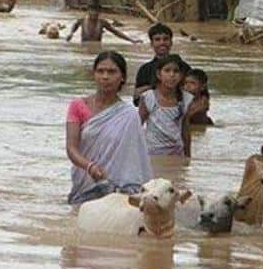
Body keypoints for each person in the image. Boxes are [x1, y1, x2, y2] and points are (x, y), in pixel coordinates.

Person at [66, 51, 153, 205]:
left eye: (112, 72)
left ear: (122, 77)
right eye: (100, 71)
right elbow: (72, 149)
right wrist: (90, 167)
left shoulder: (130, 115)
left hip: (119, 191)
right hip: (85, 185)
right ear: (94, 74)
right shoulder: (78, 106)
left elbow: (135, 159)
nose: (105, 77)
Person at [138, 55, 204, 158]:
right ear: (159, 74)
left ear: (181, 76)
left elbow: (185, 130)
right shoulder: (148, 97)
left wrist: (188, 157)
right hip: (152, 153)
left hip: (176, 153)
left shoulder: (186, 99)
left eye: (176, 71)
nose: (172, 75)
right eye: (167, 71)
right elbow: (138, 126)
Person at [133, 22, 176, 106]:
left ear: (171, 42)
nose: (162, 43)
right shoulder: (145, 69)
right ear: (151, 44)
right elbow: (136, 99)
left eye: (165, 39)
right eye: (157, 39)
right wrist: (157, 86)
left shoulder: (182, 67)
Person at [65, 0, 141, 44]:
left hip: (97, 48)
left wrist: (131, 40)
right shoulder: (82, 20)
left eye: (96, 11)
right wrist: (71, 33)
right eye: (92, 11)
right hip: (84, 48)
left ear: (99, 12)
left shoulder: (102, 23)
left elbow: (116, 32)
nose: (94, 13)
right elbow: (75, 25)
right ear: (88, 11)